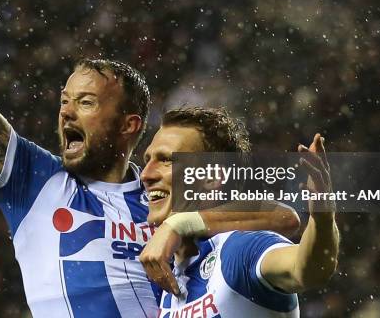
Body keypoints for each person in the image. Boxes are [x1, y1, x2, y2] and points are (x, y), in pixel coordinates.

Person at [0, 0, 300, 317]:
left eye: (86, 103)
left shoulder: (163, 197)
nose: (67, 114)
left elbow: (283, 216)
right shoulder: (36, 181)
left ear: (129, 124)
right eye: (64, 101)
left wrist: (182, 224)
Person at [140, 107, 340, 317]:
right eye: (147, 160)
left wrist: (323, 217)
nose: (146, 174)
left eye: (166, 160)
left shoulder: (239, 250)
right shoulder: (165, 284)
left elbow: (310, 268)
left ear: (211, 177)